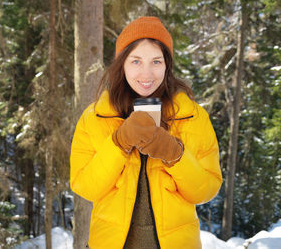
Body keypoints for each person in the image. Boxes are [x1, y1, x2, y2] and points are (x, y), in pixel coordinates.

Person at [70, 16, 222, 249]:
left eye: (156, 62)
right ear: (122, 63)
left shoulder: (192, 117)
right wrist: (118, 143)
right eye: (136, 61)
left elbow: (206, 189)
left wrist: (175, 155)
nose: (146, 74)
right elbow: (85, 186)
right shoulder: (96, 117)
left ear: (167, 65)